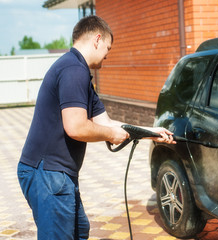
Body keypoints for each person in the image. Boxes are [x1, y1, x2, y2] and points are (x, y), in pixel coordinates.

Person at [17, 15, 174, 240]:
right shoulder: (73, 70)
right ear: (97, 39)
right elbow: (76, 127)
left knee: (80, 231)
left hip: (57, 174)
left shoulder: (79, 72)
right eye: (108, 48)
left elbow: (106, 123)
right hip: (47, 173)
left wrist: (152, 133)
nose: (108, 55)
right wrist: (111, 135)